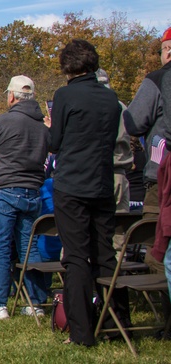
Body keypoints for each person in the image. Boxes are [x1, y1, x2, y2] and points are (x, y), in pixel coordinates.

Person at [50, 39, 126, 346]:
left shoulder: (65, 95)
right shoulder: (111, 99)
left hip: (72, 184)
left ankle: (82, 333)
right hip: (102, 182)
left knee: (78, 257)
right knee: (106, 253)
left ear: (68, 67)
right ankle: (117, 321)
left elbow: (54, 142)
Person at [0, 74, 50, 320]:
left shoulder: (6, 122)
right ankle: (35, 301)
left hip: (5, 189)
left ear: (12, 96)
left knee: (0, 247)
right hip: (32, 190)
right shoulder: (40, 125)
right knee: (29, 246)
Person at [123, 26, 171, 274]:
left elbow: (133, 121)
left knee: (158, 245)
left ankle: (163, 309)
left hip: (163, 175)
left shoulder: (159, 79)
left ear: (168, 51)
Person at [96, 69, 133, 214]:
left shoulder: (90, 107)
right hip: (119, 172)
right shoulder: (121, 106)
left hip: (98, 173)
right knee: (120, 229)